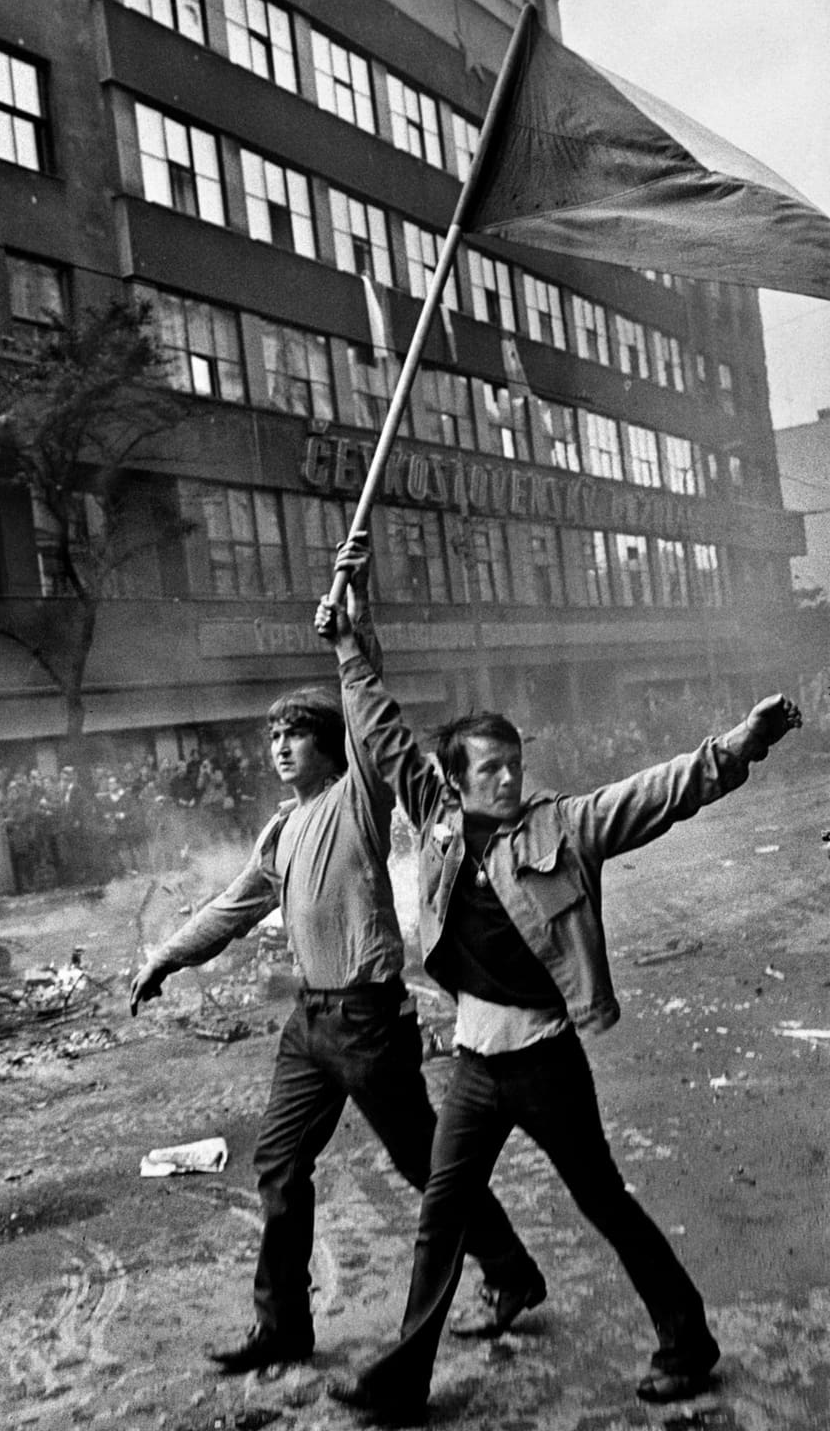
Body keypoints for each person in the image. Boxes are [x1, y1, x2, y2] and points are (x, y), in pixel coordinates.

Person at [317, 535, 802, 1423]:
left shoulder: (566, 826)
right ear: (457, 782)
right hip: (471, 1064)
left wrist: (740, 744)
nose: (507, 779)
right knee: (441, 1213)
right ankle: (403, 1380)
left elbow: (661, 790)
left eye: (514, 764)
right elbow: (385, 736)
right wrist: (350, 648)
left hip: (543, 1061)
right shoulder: (434, 814)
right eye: (489, 769)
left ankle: (687, 1343)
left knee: (603, 1202)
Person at [129, 557, 542, 1377]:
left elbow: (369, 709)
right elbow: (232, 909)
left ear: (327, 743)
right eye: (274, 737)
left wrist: (352, 627)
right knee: (279, 1168)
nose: (282, 747)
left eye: (296, 734)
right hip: (309, 1025)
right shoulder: (281, 831)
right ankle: (283, 1328)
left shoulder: (359, 794)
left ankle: (510, 1273)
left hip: (366, 1013)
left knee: (424, 1162)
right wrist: (166, 957)